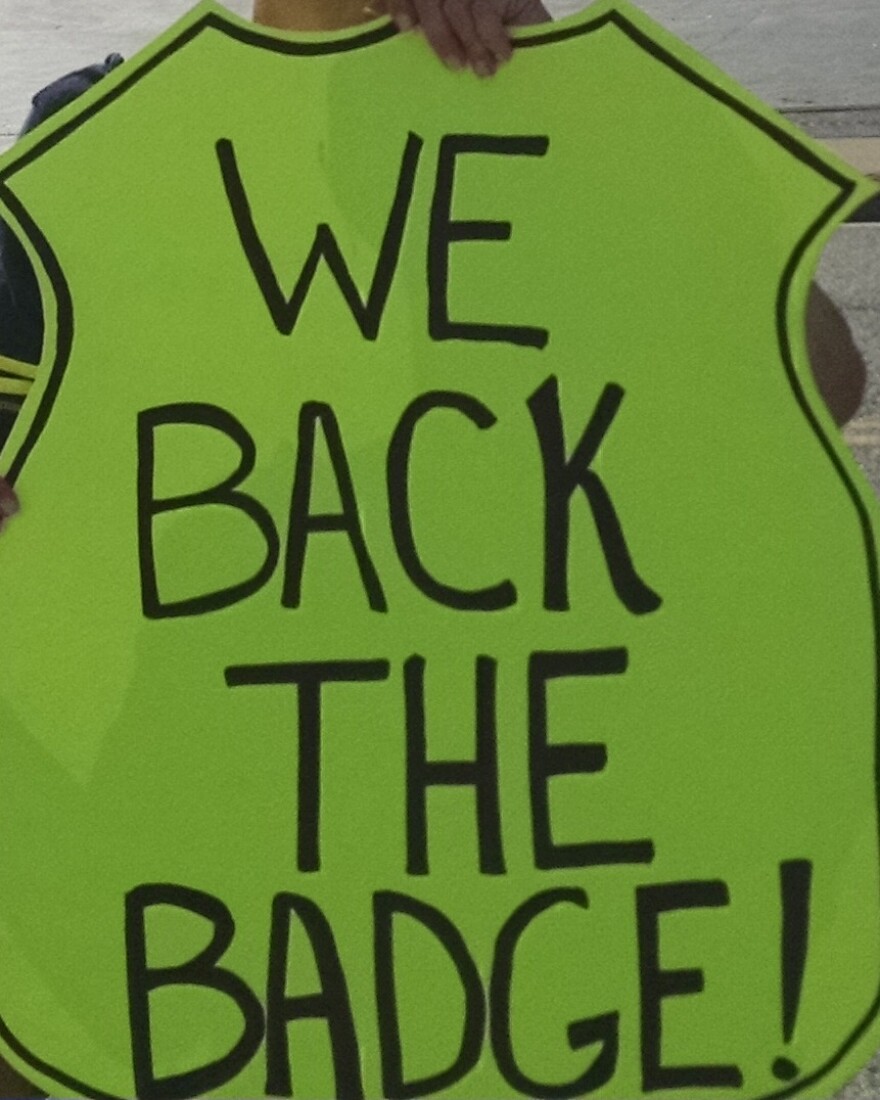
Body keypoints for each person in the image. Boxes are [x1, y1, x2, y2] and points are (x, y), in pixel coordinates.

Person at [0, 0, 868, 1093]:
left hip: (548, 928)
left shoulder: (578, 195)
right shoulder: (120, 165)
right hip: (217, 919)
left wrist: (575, 99)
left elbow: (819, 372)